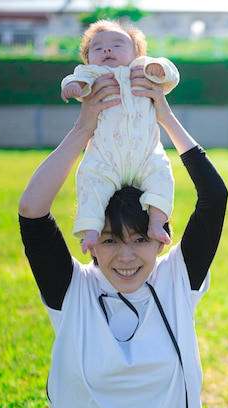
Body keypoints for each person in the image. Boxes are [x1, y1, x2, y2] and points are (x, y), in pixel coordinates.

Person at [19, 67, 228, 408]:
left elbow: (214, 197)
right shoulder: (72, 289)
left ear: (161, 240)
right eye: (111, 240)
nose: (127, 256)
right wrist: (83, 128)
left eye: (140, 238)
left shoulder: (177, 278)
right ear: (93, 243)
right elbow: (32, 211)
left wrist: (164, 117)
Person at [60, 19, 180, 253]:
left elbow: (171, 74)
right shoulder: (93, 74)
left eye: (117, 44)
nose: (107, 49)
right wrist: (73, 85)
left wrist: (160, 70)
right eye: (97, 48)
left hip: (146, 157)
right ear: (88, 58)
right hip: (105, 158)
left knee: (162, 176)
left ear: (137, 52)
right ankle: (91, 230)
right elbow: (75, 78)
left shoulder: (143, 67)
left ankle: (157, 223)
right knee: (89, 180)